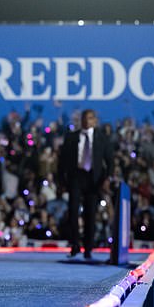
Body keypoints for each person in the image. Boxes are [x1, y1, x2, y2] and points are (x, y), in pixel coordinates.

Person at [59, 109, 113, 259]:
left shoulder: (102, 138)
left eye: (90, 118)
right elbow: (62, 161)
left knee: (90, 213)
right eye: (84, 118)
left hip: (94, 179)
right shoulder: (71, 137)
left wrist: (107, 178)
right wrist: (61, 181)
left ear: (95, 120)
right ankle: (75, 244)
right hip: (76, 177)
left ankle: (88, 247)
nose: (86, 121)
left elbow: (110, 160)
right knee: (73, 211)